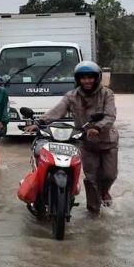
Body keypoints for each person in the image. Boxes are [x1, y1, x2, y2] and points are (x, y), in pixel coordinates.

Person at [23, 61, 118, 214]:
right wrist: (39, 122)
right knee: (91, 177)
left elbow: (110, 115)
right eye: (83, 78)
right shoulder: (72, 96)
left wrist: (97, 127)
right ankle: (94, 211)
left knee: (109, 174)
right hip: (86, 142)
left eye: (90, 78)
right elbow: (57, 111)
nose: (87, 81)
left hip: (107, 141)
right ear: (78, 79)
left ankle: (105, 191)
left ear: (97, 78)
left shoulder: (107, 94)